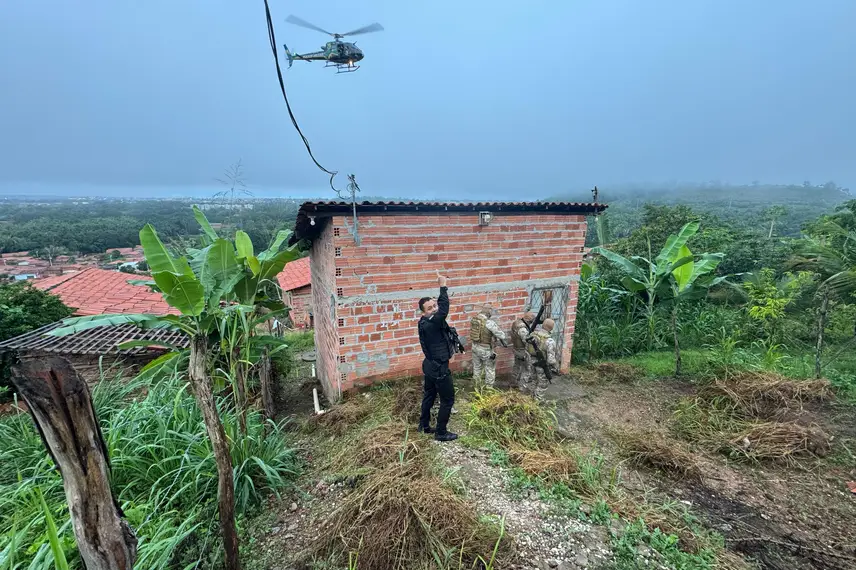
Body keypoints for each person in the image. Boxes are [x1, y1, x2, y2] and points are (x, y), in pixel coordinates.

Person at [417, 271, 458, 441]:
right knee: (448, 399)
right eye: (430, 308)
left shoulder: (424, 322)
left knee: (430, 395)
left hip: (430, 365)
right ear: (423, 312)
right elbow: (444, 311)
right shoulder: (432, 322)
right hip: (439, 367)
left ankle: (423, 425)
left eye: (434, 306)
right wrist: (443, 286)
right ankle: (441, 432)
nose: (434, 309)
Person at [469, 306, 508, 388]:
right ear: (488, 314)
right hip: (485, 349)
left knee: (477, 367)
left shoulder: (474, 320)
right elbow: (502, 336)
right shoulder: (489, 323)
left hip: (475, 347)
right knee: (489, 368)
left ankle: (476, 385)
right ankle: (489, 388)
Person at [526, 318, 558, 400]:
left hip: (531, 361)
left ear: (543, 325)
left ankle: (530, 399)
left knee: (534, 381)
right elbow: (551, 360)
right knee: (542, 385)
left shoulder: (532, 334)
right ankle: (537, 403)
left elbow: (527, 348)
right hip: (541, 365)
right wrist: (556, 366)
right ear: (551, 328)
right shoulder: (549, 341)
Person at [511, 312, 535, 391]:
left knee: (517, 366)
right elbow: (526, 341)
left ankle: (513, 383)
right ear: (528, 320)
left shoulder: (516, 323)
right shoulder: (523, 329)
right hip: (522, 351)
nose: (531, 323)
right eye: (531, 321)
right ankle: (522, 387)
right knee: (527, 369)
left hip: (516, 349)